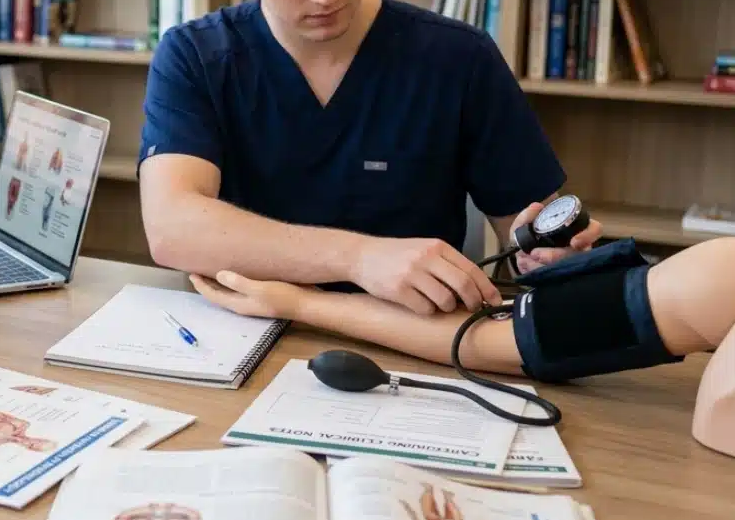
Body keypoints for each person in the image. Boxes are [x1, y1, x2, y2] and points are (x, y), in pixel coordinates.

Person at [138, 0, 601, 317]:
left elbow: (523, 236)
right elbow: (172, 228)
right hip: (237, 339)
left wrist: (544, 259)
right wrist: (360, 257)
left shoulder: (458, 59)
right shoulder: (195, 57)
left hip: (409, 349)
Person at [187, 236, 735, 381]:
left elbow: (518, 342)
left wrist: (300, 302)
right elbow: (523, 335)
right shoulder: (716, 277)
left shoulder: (719, 276)